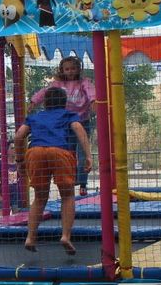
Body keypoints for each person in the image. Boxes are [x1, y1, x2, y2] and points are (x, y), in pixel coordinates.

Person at [13, 87, 92, 254]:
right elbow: (79, 130)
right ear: (64, 103)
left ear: (45, 103)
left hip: (35, 152)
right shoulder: (68, 114)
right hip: (60, 152)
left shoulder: (35, 117)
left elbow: (19, 136)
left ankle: (30, 237)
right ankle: (65, 236)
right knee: (68, 195)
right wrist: (88, 155)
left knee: (40, 198)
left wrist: (20, 160)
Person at [31, 56, 98, 195]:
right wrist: (34, 101)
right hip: (65, 123)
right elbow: (45, 92)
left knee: (82, 153)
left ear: (78, 69)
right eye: (67, 69)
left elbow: (90, 91)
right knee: (69, 152)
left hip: (81, 121)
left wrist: (93, 102)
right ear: (62, 70)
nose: (70, 71)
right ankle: (71, 179)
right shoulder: (58, 84)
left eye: (73, 68)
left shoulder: (83, 82)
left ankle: (83, 183)